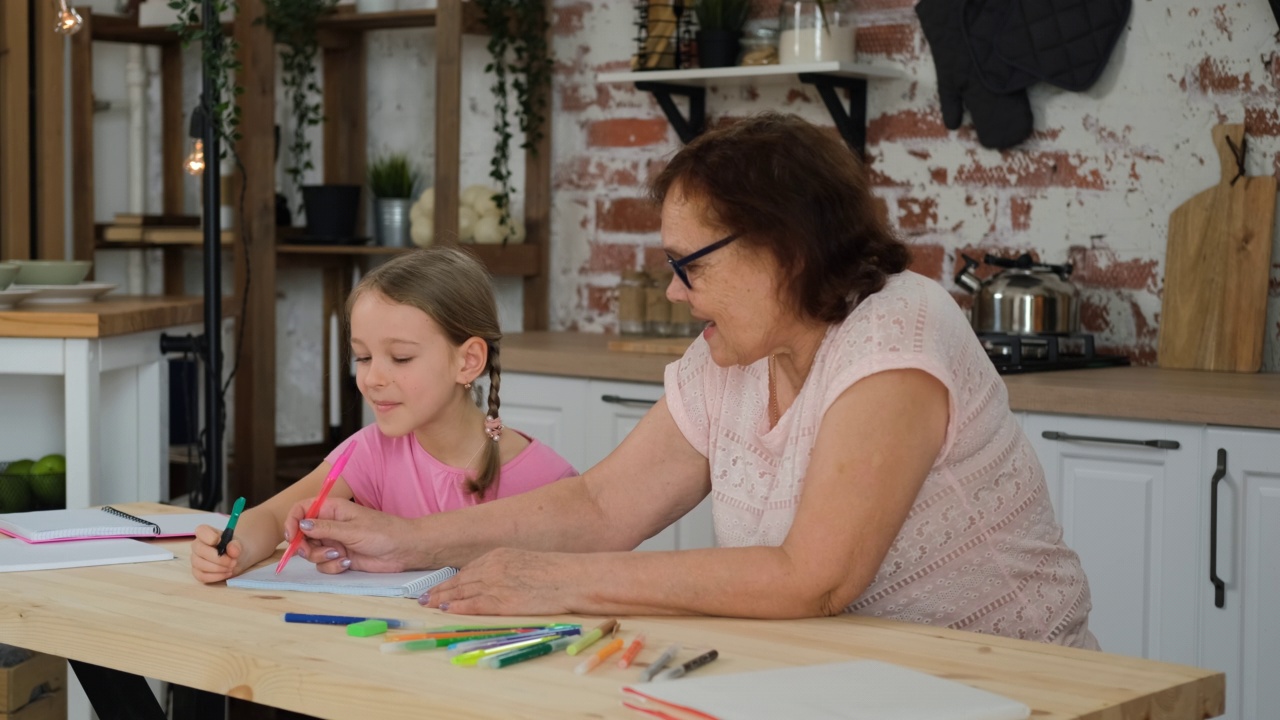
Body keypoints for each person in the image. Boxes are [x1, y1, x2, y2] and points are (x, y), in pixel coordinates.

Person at [285, 113, 1099, 649]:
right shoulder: (730, 360)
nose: (673, 291)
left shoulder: (897, 331)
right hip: (855, 678)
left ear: (782, 247)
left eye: (688, 265)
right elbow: (603, 506)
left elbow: (814, 578)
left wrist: (559, 583)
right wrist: (405, 541)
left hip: (1019, 684)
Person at [190, 247, 577, 583]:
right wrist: (233, 547)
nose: (373, 378)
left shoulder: (548, 479)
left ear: (468, 361)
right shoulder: (371, 451)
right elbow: (273, 518)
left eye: (401, 357)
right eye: (363, 357)